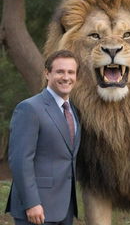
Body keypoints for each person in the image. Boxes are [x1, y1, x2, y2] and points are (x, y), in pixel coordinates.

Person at [6, 50, 81, 225]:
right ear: (47, 73)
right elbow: (20, 161)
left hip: (65, 208)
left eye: (71, 72)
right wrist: (32, 203)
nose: (66, 77)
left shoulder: (74, 111)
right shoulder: (29, 108)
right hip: (36, 209)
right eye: (60, 71)